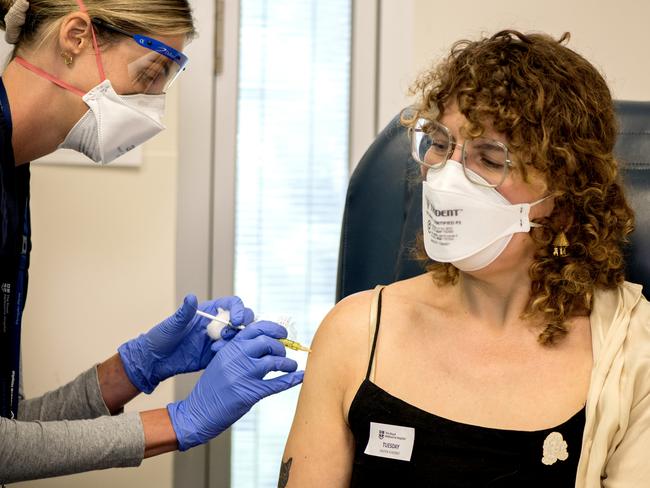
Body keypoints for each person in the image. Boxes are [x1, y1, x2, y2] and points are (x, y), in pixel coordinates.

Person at [280, 30, 650, 487]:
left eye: (489, 158)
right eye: (439, 143)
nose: (446, 176)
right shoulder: (355, 331)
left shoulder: (634, 353)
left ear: (564, 199)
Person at [0, 0, 303, 483]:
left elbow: (10, 429)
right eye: (151, 72)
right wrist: (177, 422)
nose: (152, 105)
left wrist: (132, 370)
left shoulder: (12, 174)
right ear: (75, 37)